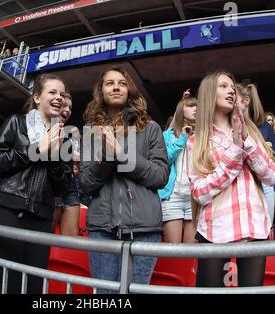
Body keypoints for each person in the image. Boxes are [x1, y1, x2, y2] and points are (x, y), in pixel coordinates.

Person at [79, 66, 170, 293]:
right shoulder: (91, 131)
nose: (116, 87)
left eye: (121, 82)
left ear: (129, 89)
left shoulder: (150, 128)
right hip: (102, 228)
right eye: (109, 83)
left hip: (144, 229)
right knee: (105, 296)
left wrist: (122, 155)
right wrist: (108, 159)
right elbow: (87, 183)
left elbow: (160, 176)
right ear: (101, 91)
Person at [186, 71, 275, 287]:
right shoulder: (196, 141)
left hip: (254, 226)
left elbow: (272, 177)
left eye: (232, 87)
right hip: (215, 229)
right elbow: (199, 192)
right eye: (223, 86)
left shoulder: (252, 132)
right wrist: (235, 153)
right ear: (209, 93)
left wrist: (245, 141)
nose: (231, 91)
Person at [0, 74, 69, 294]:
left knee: (35, 286)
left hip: (42, 218)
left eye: (62, 94)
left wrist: (54, 155)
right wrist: (36, 149)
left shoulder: (63, 136)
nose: (59, 98)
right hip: (9, 212)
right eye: (52, 92)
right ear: (36, 97)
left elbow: (63, 187)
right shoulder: (16, 122)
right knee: (11, 285)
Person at [236, 83, 275, 224]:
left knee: (265, 225)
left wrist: (265, 149)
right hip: (241, 181)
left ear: (246, 101)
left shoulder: (262, 126)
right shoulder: (230, 125)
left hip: (263, 181)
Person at [158, 91, 197, 243]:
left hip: (195, 197)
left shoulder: (204, 135)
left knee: (190, 253)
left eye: (198, 106)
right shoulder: (167, 135)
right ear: (181, 110)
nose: (196, 109)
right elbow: (165, 159)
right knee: (173, 251)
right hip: (172, 196)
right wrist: (182, 138)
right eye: (191, 105)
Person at [53, 92, 81, 236]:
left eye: (70, 107)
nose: (68, 110)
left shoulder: (69, 136)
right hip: (51, 185)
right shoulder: (39, 131)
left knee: (71, 238)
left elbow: (76, 157)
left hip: (70, 184)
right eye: (64, 106)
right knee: (44, 237)